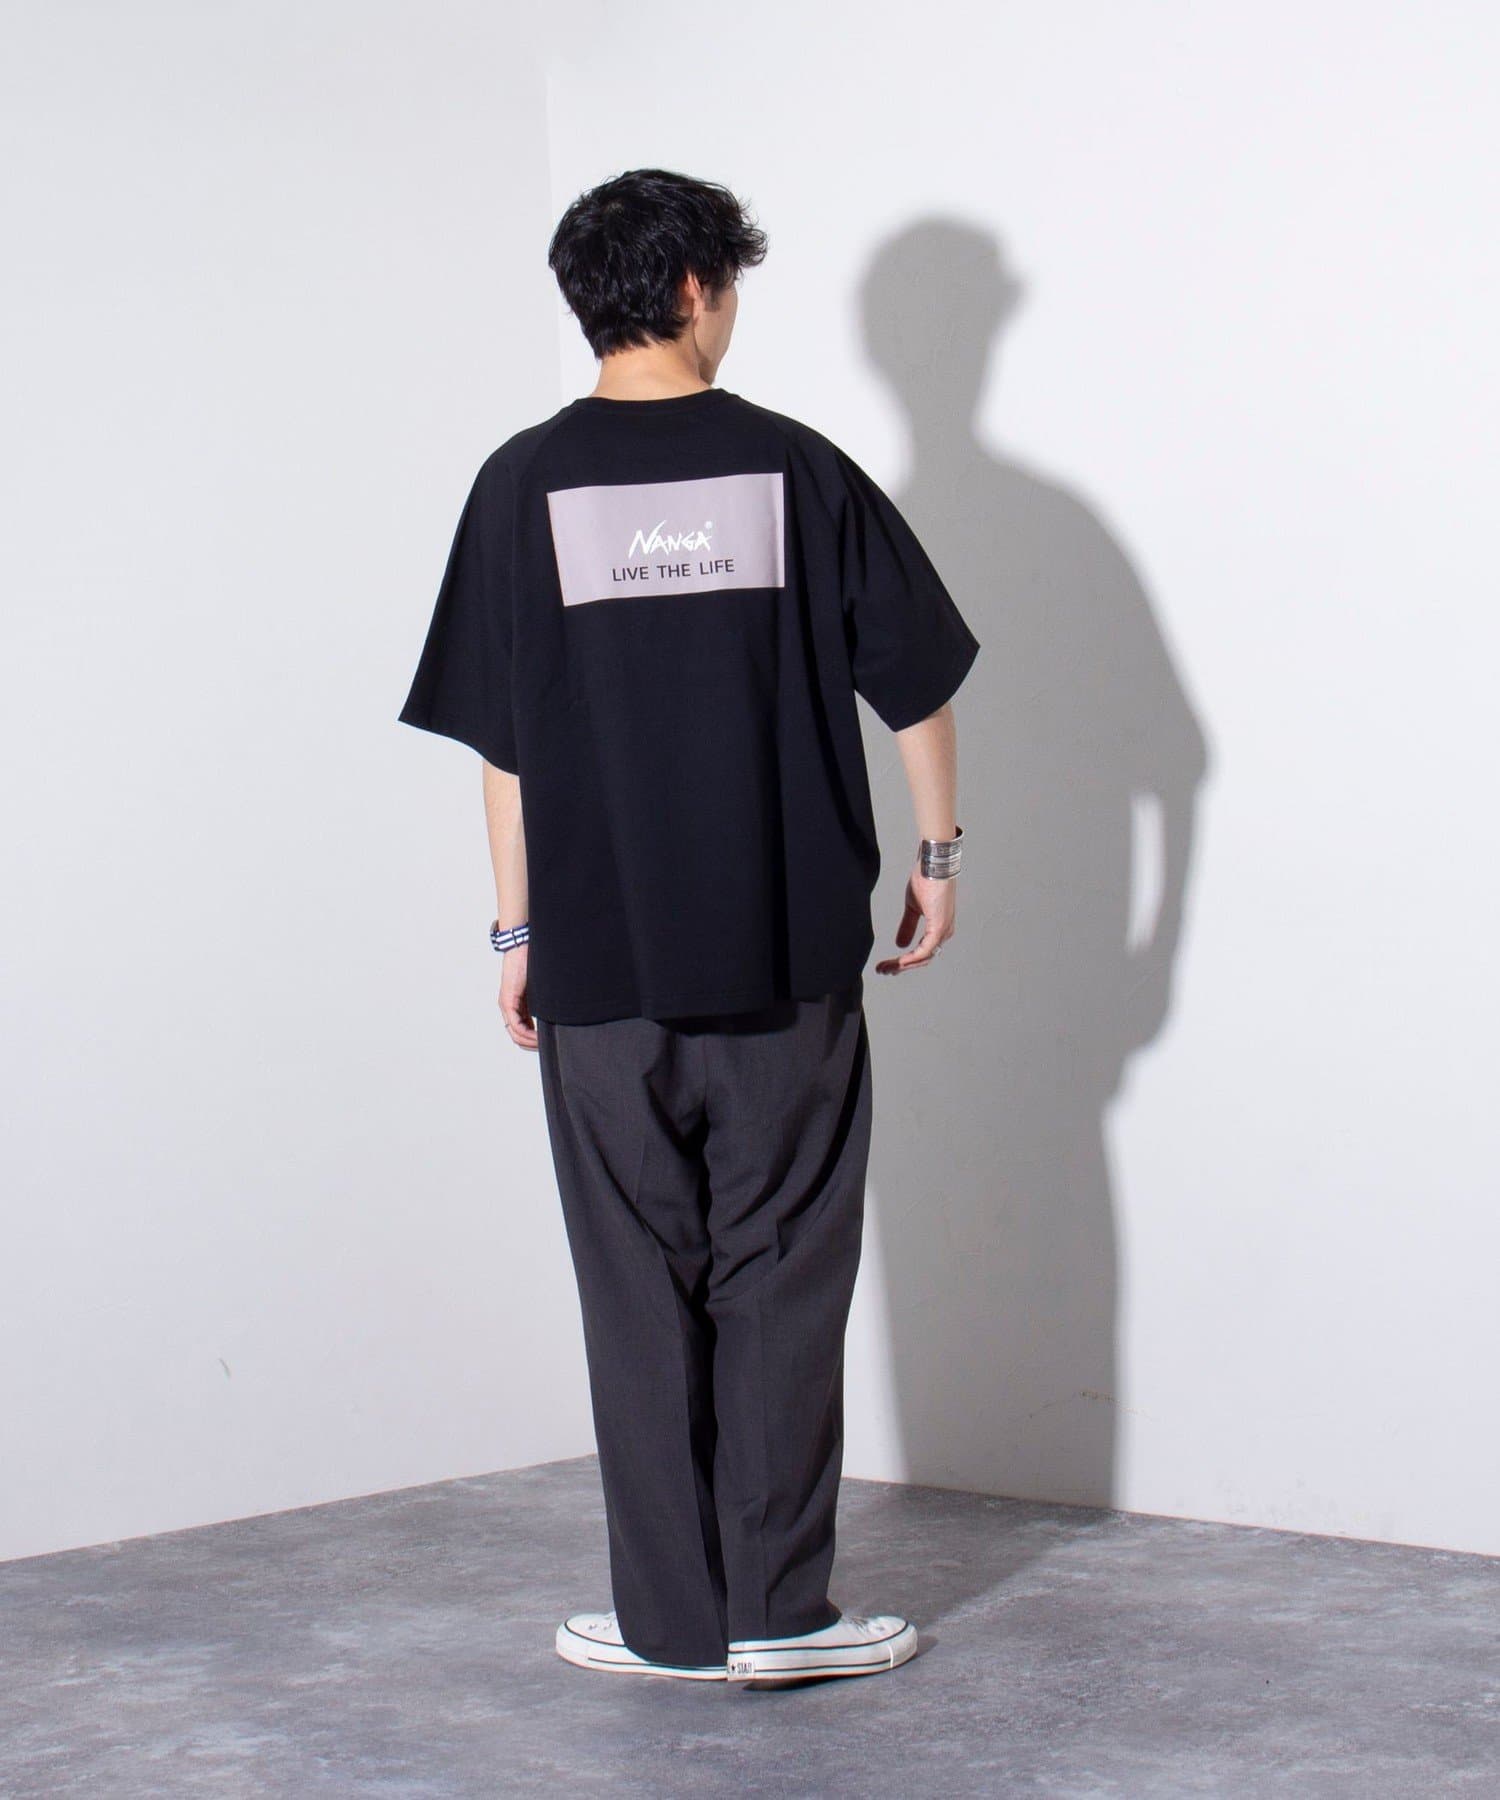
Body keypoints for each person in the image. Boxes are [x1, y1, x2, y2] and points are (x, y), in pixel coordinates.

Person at [397, 168, 979, 1686]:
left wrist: (515, 935)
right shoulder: (797, 467)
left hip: (601, 966)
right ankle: (779, 1616)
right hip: (786, 955)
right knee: (780, 1269)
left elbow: (504, 747)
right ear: (695, 289)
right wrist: (937, 855)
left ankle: (669, 1622)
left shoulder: (518, 486)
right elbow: (916, 683)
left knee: (634, 1285)